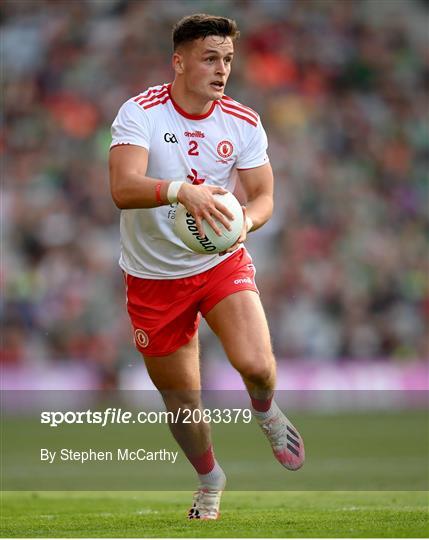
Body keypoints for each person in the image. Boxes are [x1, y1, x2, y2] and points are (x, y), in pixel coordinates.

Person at [109, 13, 305, 520]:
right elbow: (122, 188)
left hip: (220, 261)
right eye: (210, 59)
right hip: (154, 279)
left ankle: (265, 412)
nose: (222, 70)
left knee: (257, 365)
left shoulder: (242, 120)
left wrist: (243, 225)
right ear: (179, 61)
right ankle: (209, 478)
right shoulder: (141, 113)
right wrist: (181, 191)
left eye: (228, 60)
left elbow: (263, 197)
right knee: (183, 404)